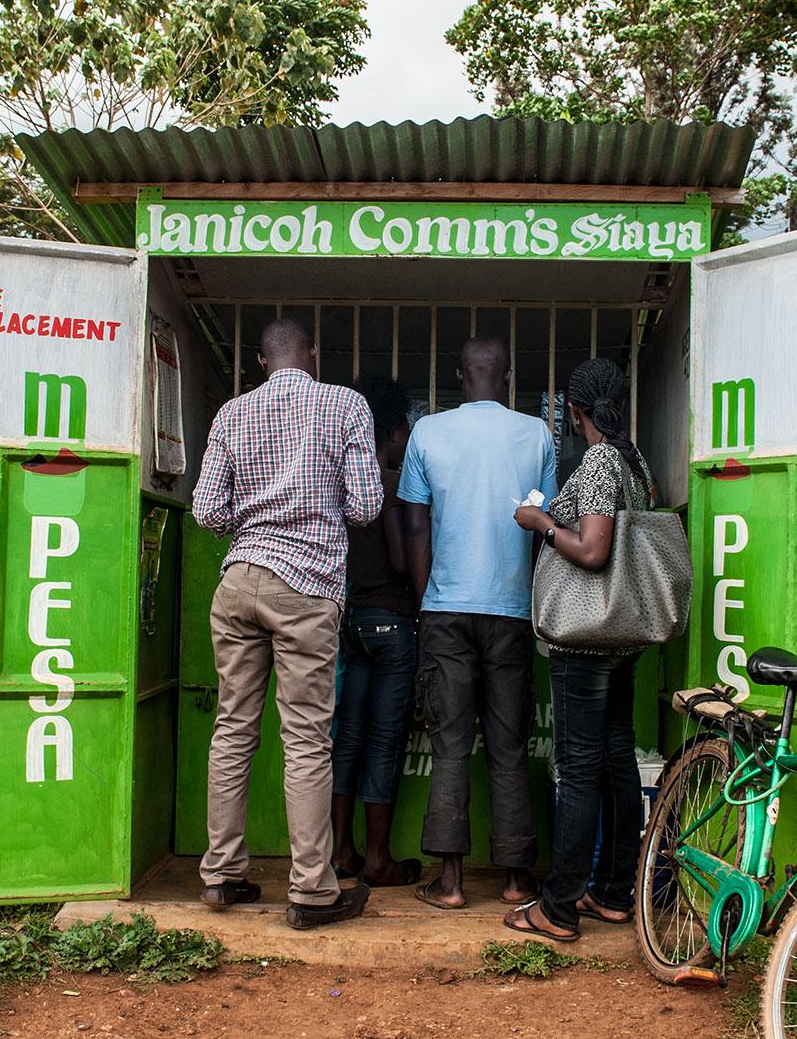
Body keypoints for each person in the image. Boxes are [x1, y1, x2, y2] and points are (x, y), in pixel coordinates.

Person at [192, 318, 382, 930]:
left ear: (260, 361)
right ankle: (311, 892)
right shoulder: (345, 405)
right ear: (313, 354)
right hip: (306, 586)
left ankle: (221, 875)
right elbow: (366, 506)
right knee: (305, 740)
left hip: (239, 579)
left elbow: (205, 510)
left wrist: (254, 520)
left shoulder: (231, 414)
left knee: (233, 729)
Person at [502, 357, 658, 944]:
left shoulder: (597, 461)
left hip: (586, 637)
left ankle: (559, 906)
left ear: (574, 411)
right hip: (624, 633)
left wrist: (539, 520)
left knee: (580, 766)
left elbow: (593, 551)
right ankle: (613, 894)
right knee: (616, 758)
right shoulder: (635, 462)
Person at [399, 337, 556, 909]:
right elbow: (544, 523)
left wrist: (427, 601)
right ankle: (516, 879)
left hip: (446, 610)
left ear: (459, 376)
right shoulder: (536, 434)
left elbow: (416, 526)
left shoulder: (427, 433)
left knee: (449, 744)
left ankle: (452, 883)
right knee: (510, 746)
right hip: (511, 612)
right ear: (507, 377)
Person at [329, 374, 424, 888]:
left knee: (348, 738)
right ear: (392, 432)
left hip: (353, 623)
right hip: (392, 624)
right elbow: (395, 553)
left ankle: (342, 852)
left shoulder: (342, 480)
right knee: (385, 741)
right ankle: (379, 860)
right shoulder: (388, 483)